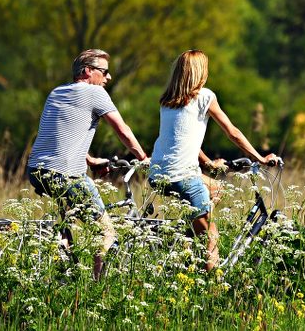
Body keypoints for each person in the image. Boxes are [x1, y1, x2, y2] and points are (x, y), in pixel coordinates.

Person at [149, 49, 280, 272]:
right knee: (212, 237)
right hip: (183, 175)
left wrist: (207, 162)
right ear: (201, 73)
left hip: (157, 172)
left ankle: (188, 240)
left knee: (216, 188)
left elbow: (182, 139)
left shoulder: (167, 101)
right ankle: (212, 291)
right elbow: (232, 132)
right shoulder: (205, 97)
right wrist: (260, 158)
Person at [26, 49, 148, 280]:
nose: (108, 78)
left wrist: (90, 160)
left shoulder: (56, 92)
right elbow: (122, 130)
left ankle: (65, 275)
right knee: (106, 232)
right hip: (65, 174)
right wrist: (143, 158)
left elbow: (62, 135)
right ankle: (96, 288)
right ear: (87, 72)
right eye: (104, 72)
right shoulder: (95, 93)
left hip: (36, 170)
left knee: (66, 230)